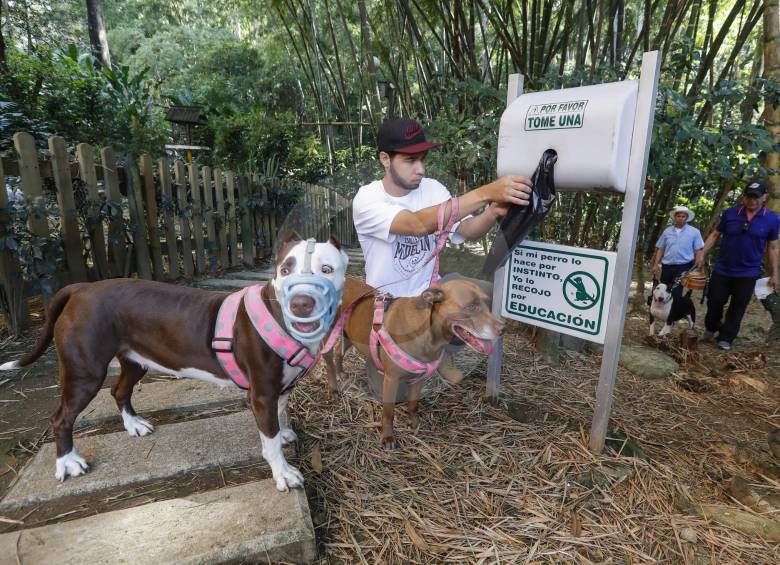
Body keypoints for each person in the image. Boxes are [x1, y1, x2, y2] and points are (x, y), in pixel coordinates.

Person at [352, 118, 533, 382]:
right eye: (410, 160)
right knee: (393, 392)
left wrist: (493, 211)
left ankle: (442, 350)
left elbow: (467, 230)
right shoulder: (368, 199)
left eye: (423, 159)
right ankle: (400, 354)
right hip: (389, 308)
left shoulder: (433, 189)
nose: (420, 169)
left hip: (431, 297)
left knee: (489, 294)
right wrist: (485, 192)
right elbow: (417, 225)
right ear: (385, 159)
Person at [700, 181, 779, 350]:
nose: (752, 200)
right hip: (723, 269)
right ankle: (711, 327)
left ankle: (726, 337)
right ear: (744, 197)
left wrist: (774, 274)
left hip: (748, 273)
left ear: (764, 198)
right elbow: (715, 235)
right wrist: (702, 253)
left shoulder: (772, 219)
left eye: (756, 197)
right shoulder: (730, 213)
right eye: (749, 196)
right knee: (714, 301)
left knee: (738, 306)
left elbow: (772, 247)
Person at [649, 206, 704, 298]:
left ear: (686, 218)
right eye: (678, 216)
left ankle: (674, 311)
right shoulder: (667, 231)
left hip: (684, 266)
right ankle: (664, 312)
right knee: (664, 291)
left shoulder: (694, 232)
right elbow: (661, 248)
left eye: (683, 216)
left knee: (676, 292)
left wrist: (698, 265)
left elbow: (699, 249)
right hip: (667, 266)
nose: (681, 218)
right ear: (675, 217)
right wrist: (655, 264)